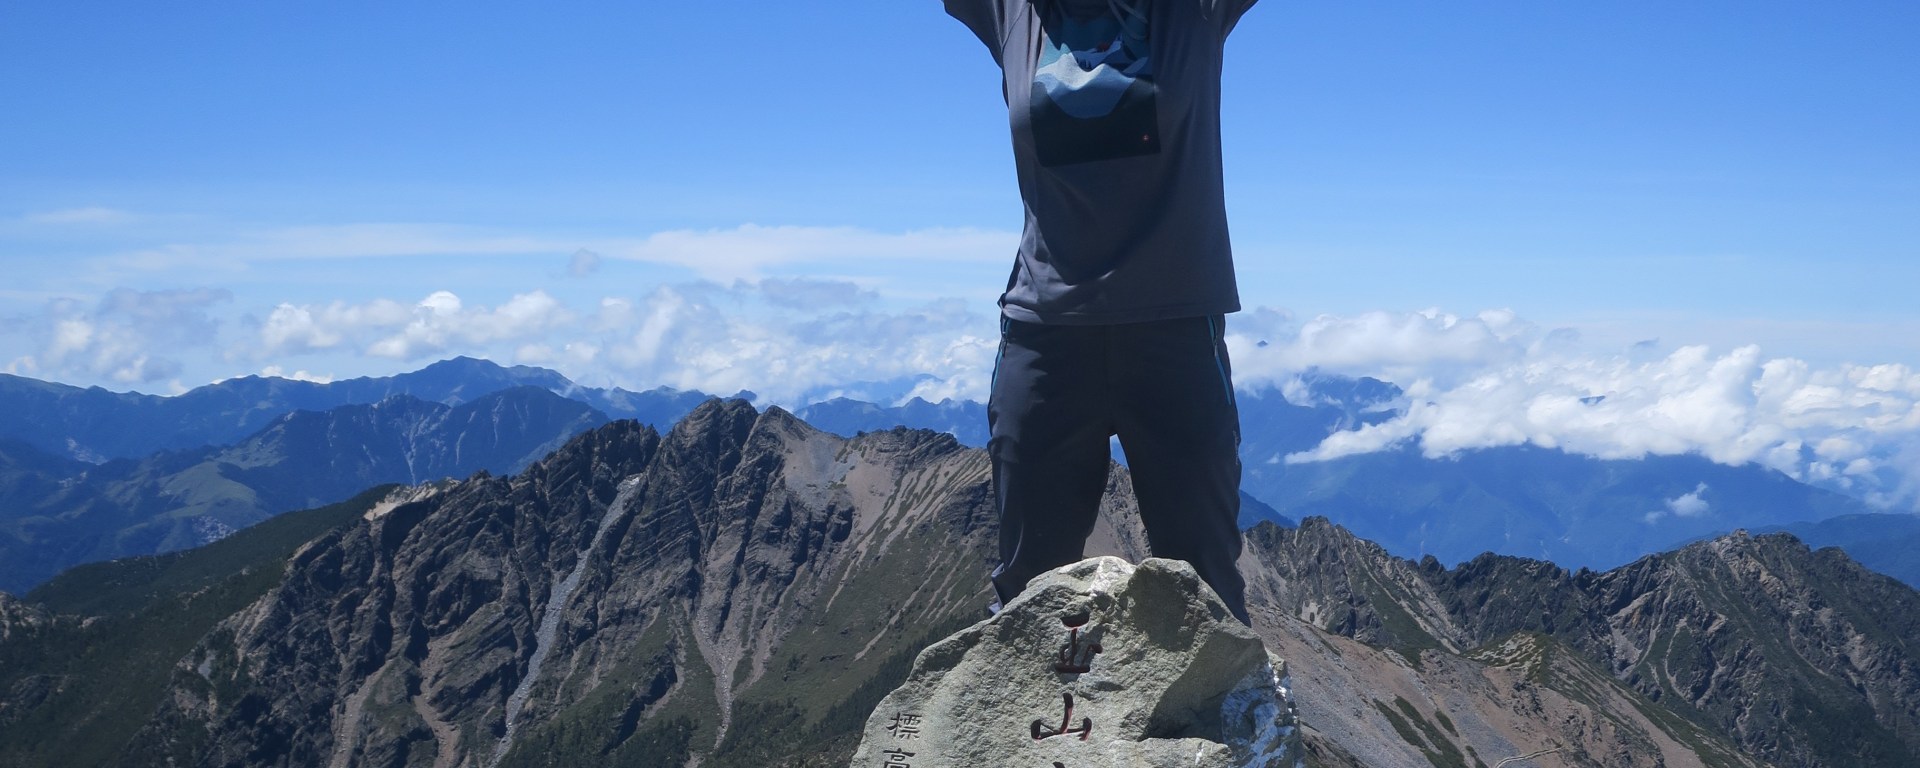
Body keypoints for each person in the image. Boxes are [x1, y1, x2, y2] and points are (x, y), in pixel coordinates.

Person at [943, 0, 1259, 624]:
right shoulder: (1015, 13)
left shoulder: (1193, 11)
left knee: (1205, 589)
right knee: (1028, 587)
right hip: (1045, 336)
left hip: (1175, 334)